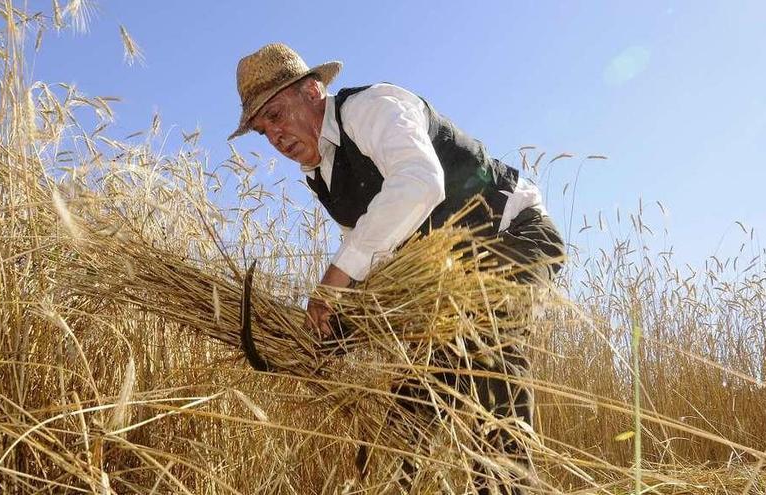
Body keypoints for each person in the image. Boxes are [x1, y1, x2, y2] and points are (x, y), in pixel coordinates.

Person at [229, 43, 564, 494]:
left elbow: (420, 181)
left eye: (275, 114)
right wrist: (340, 328)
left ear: (312, 91)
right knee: (411, 409)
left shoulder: (372, 108)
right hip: (446, 280)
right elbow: (378, 253)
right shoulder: (322, 175)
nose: (273, 135)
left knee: (487, 357)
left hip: (512, 238)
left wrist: (333, 281)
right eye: (262, 129)